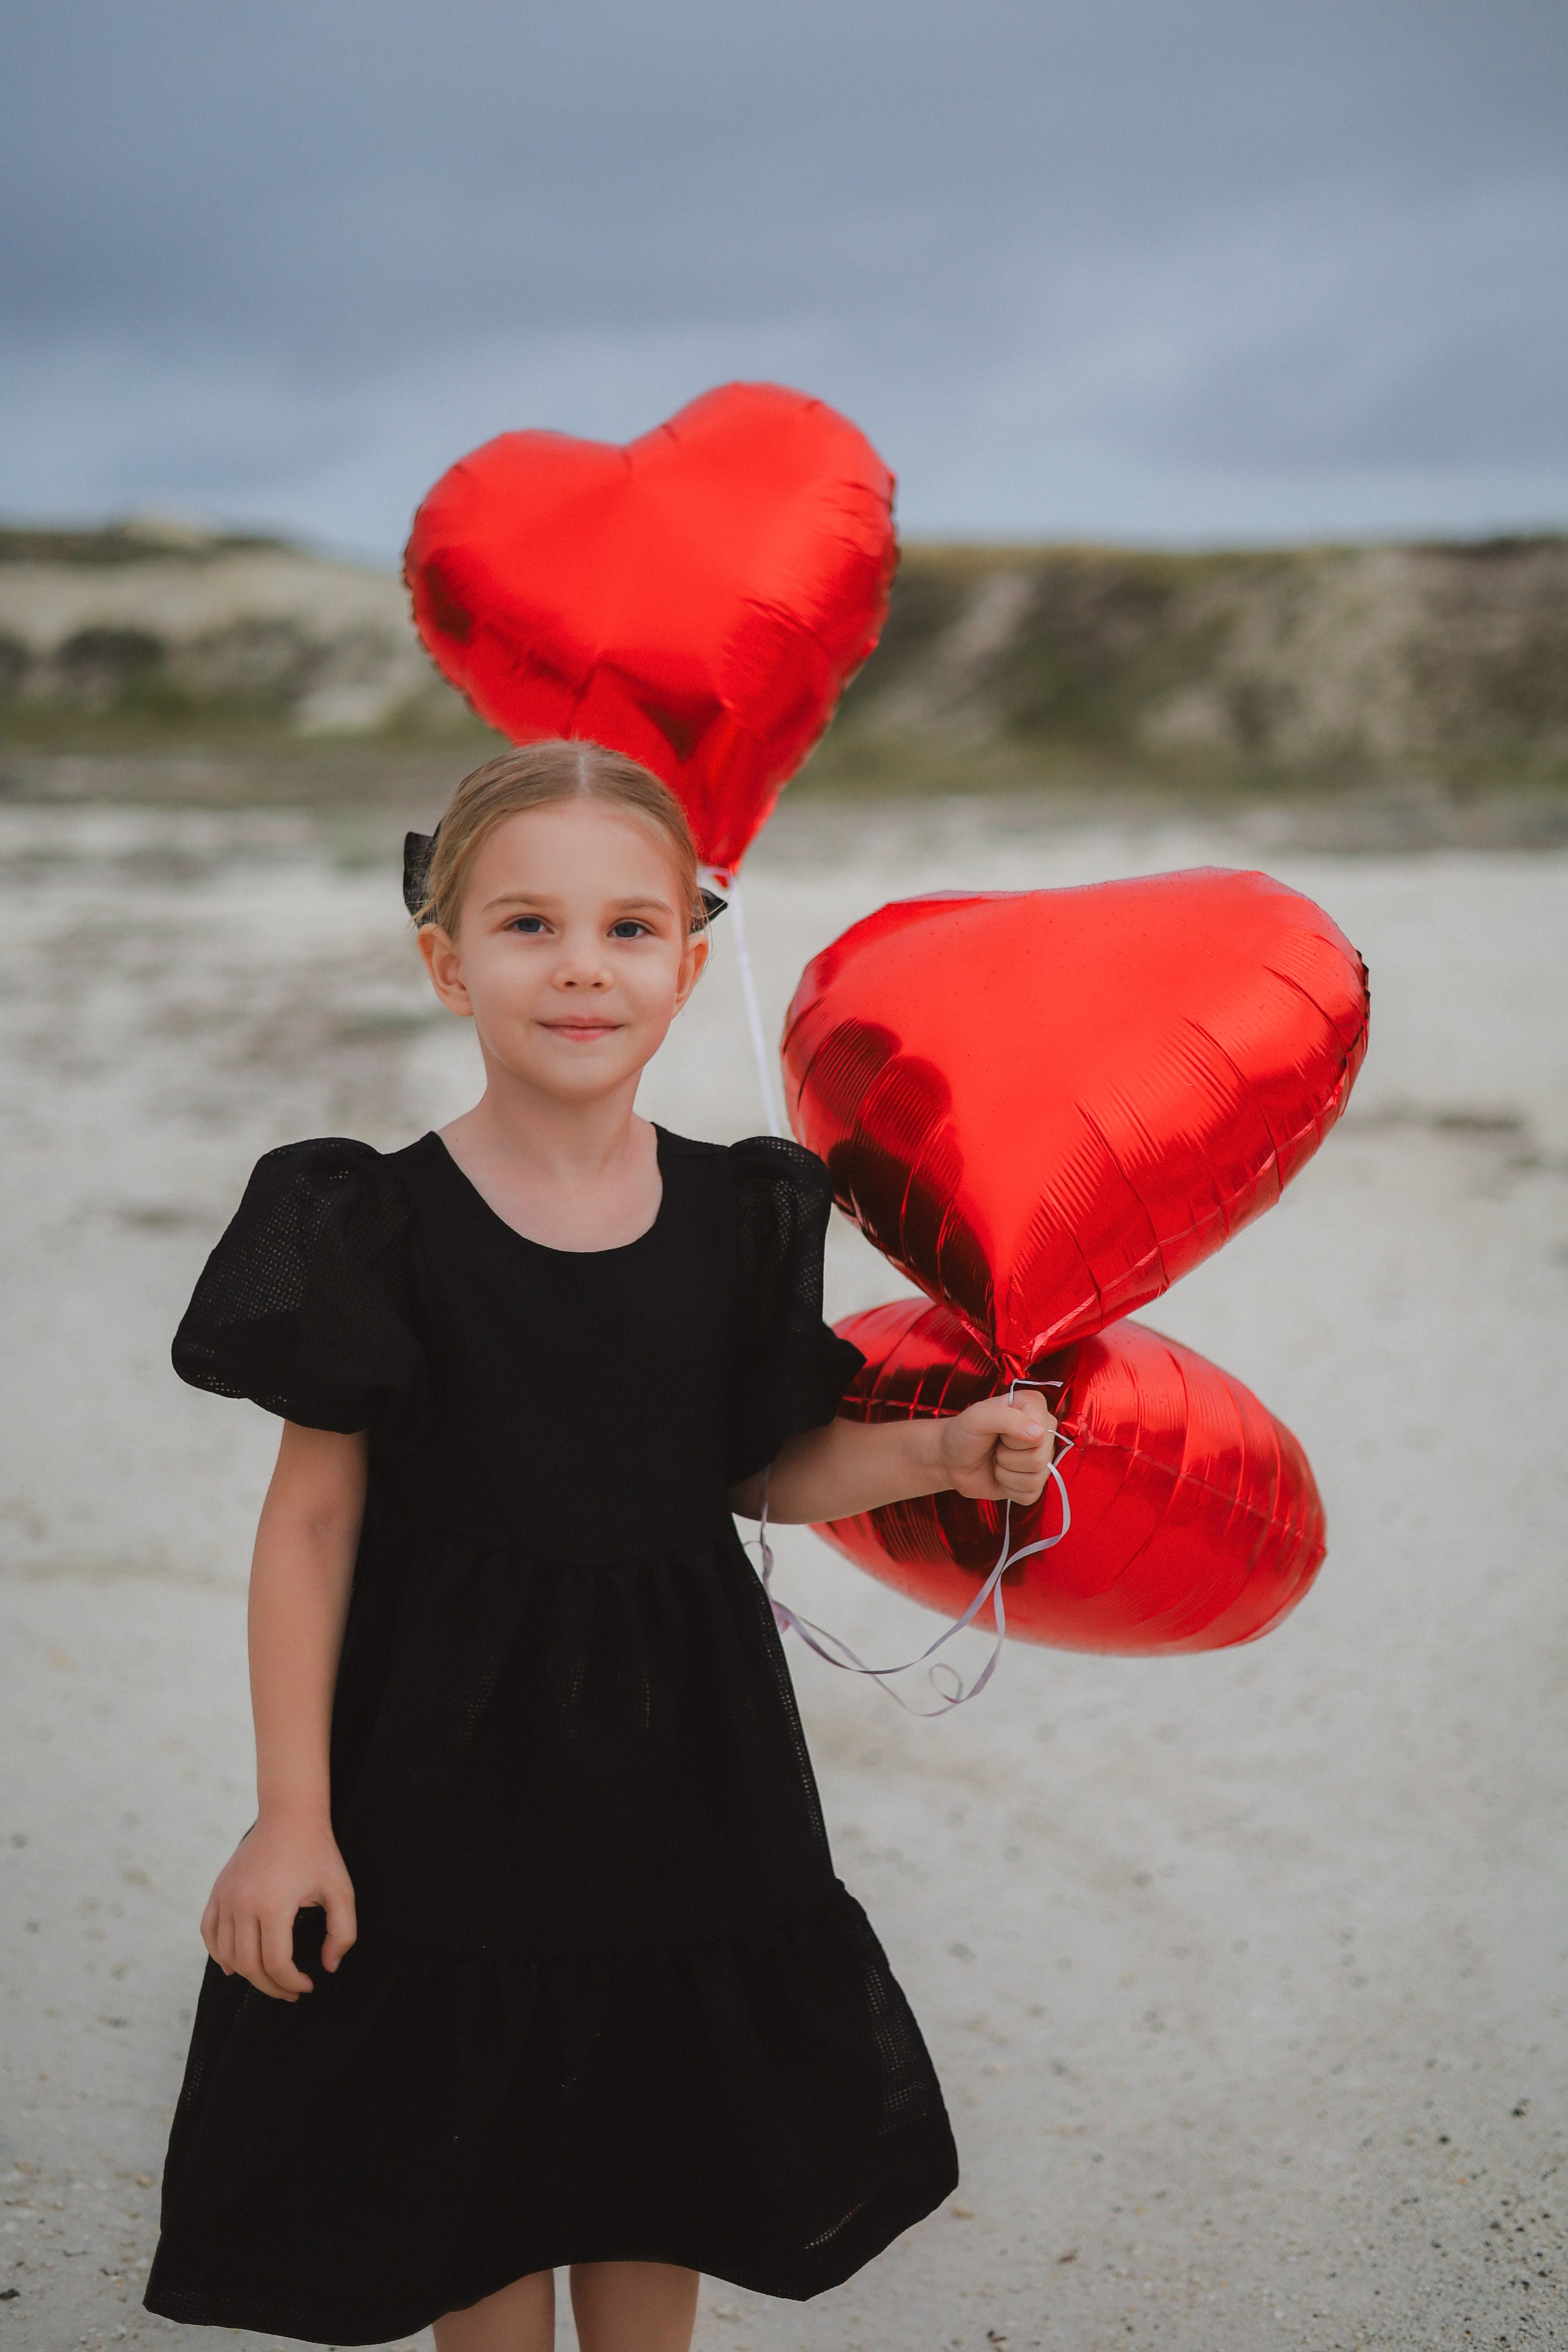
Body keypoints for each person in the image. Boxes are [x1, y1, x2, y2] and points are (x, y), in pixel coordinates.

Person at [142, 741, 1057, 2352]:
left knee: (661, 2134)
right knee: (468, 2151)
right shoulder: (370, 1222)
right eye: (527, 926)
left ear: (691, 966)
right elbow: (313, 1519)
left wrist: (936, 1449)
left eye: (631, 929)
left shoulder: (745, 1213)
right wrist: (292, 1818)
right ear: (445, 961)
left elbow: (754, 1472)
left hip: (682, 1766)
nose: (582, 967)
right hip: (442, 1771)